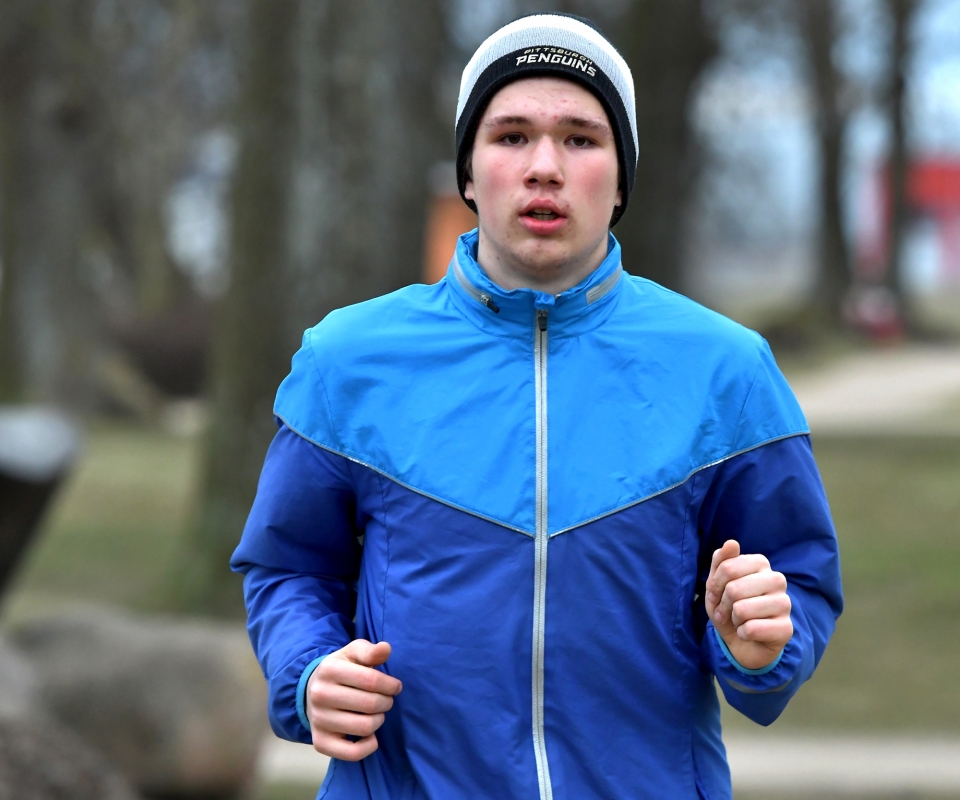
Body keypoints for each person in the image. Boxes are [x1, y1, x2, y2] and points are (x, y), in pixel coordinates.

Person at [231, 13, 842, 800]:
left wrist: (760, 643)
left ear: (620, 180)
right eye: (511, 136)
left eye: (581, 139)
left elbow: (798, 580)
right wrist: (309, 670)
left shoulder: (727, 370)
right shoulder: (345, 361)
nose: (544, 167)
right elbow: (287, 566)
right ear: (467, 172)